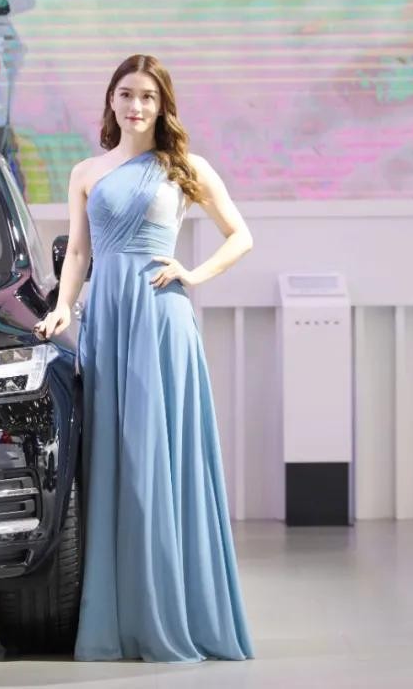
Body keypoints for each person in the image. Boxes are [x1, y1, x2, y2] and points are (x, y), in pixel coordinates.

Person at [34, 54, 255, 663]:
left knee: (160, 457)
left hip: (160, 320)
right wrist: (64, 308)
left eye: (149, 97)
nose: (136, 105)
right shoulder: (86, 171)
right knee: (118, 460)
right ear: (111, 99)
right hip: (108, 322)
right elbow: (80, 254)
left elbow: (241, 234)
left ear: (163, 106)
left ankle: (169, 611)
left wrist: (194, 273)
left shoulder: (185, 166)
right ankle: (120, 612)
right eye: (127, 93)